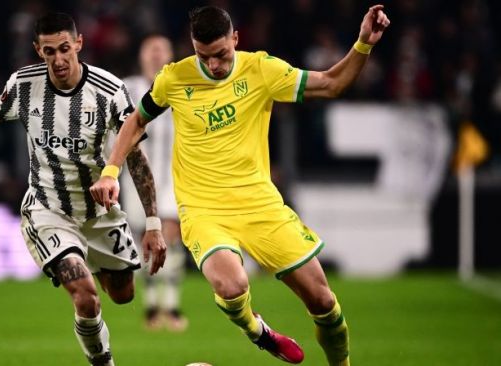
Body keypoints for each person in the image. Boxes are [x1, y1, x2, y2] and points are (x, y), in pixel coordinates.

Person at [90, 5, 390, 366]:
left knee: (323, 302)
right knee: (231, 286)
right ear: (192, 47)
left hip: (260, 205)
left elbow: (331, 83)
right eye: (204, 56)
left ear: (235, 39)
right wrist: (110, 170)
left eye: (221, 55)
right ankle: (258, 332)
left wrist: (362, 45)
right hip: (203, 209)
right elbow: (136, 120)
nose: (214, 65)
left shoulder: (261, 69)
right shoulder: (175, 77)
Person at [0, 12, 167, 366]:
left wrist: (152, 223)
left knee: (123, 295)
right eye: (49, 51)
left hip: (100, 213)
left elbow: (134, 156)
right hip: (48, 210)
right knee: (86, 298)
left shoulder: (108, 90)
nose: (58, 59)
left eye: (64, 49)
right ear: (38, 50)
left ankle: (95, 265)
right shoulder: (24, 85)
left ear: (79, 44)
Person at [120, 34, 188, 331]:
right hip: (136, 182)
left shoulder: (184, 88)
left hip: (174, 179)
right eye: (151, 49)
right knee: (143, 242)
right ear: (142, 56)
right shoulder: (127, 88)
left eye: (163, 48)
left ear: (171, 55)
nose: (157, 54)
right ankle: (151, 307)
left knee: (170, 237)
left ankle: (171, 306)